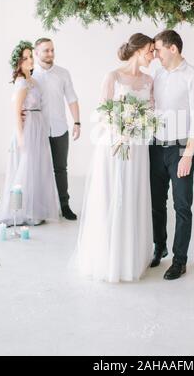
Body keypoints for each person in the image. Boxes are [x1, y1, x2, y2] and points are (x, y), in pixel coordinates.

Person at [74, 33, 155, 283]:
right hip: (113, 144)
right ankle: (108, 257)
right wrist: (120, 131)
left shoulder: (150, 80)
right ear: (139, 50)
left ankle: (130, 257)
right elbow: (102, 110)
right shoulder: (113, 76)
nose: (153, 55)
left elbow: (152, 110)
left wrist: (138, 126)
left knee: (133, 195)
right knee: (112, 194)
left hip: (138, 146)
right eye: (151, 50)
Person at [150, 30, 194, 280]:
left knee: (182, 205)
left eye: (158, 49)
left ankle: (179, 260)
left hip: (181, 149)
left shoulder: (193, 76)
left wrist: (188, 154)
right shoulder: (157, 73)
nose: (155, 54)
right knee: (156, 203)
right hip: (155, 146)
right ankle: (158, 246)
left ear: (173, 49)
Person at [0, 41, 59, 226]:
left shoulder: (32, 80)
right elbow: (17, 111)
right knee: (25, 168)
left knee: (36, 167)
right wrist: (21, 136)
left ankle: (34, 209)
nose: (30, 60)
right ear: (19, 62)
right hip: (28, 129)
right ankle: (20, 212)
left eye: (30, 56)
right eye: (25, 58)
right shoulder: (22, 82)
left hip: (37, 126)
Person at [33, 38, 80, 220]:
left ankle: (64, 205)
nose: (50, 54)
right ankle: (41, 207)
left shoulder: (63, 73)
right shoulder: (31, 75)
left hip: (60, 129)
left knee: (61, 169)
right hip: (38, 131)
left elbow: (72, 98)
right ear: (36, 53)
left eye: (52, 50)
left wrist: (77, 122)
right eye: (46, 51)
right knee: (39, 169)